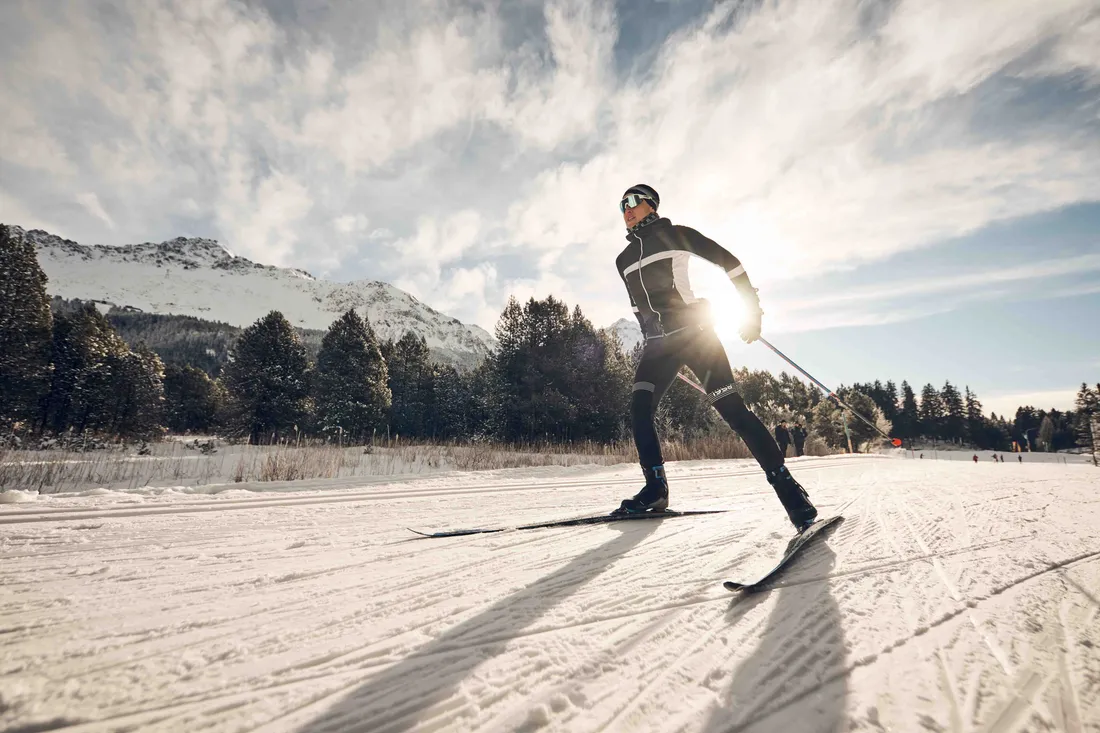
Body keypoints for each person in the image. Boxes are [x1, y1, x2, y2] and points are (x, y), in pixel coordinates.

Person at [612, 184, 817, 531]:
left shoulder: (677, 235)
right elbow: (637, 307)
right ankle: (655, 490)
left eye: (634, 201)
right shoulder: (623, 260)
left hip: (696, 336)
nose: (627, 209)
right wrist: (651, 341)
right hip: (657, 346)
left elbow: (730, 263)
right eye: (622, 205)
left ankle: (791, 493)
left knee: (734, 412)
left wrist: (751, 311)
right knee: (639, 410)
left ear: (652, 206)